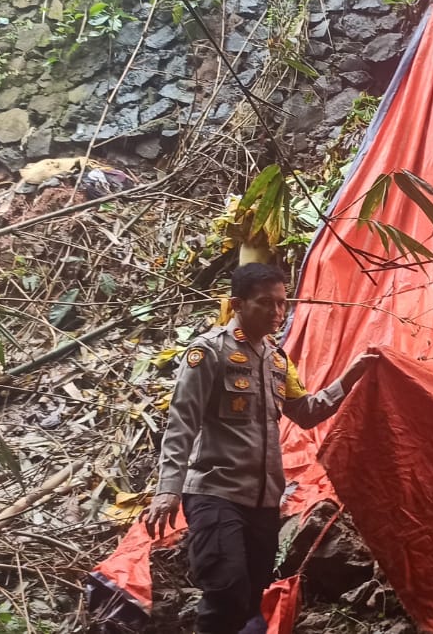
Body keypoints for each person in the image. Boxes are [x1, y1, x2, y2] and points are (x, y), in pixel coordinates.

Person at [142, 263, 377, 634]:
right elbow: (181, 422)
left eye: (282, 304)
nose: (277, 313)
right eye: (266, 303)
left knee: (251, 597)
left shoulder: (278, 360)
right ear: (237, 303)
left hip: (264, 501)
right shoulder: (209, 353)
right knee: (226, 590)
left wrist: (350, 377)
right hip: (216, 492)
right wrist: (168, 490)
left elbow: (306, 412)